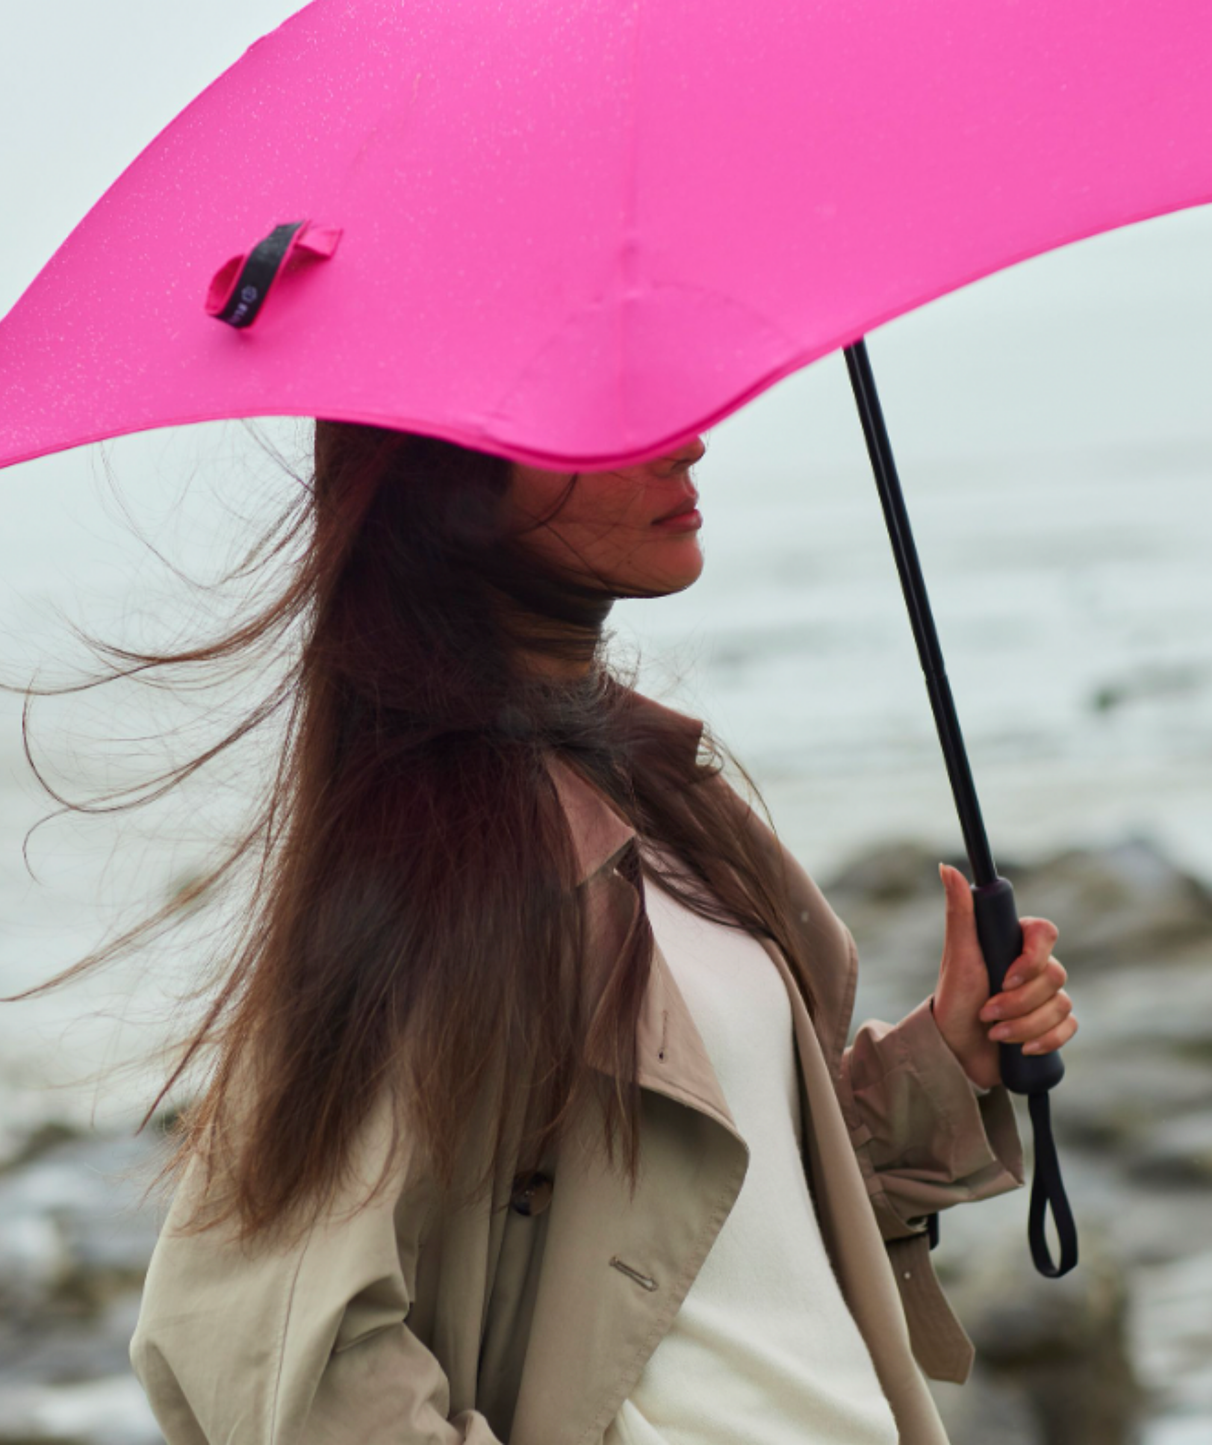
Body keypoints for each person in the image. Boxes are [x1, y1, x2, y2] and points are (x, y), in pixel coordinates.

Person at [24, 421, 1079, 1443]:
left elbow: (699, 1210)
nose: (685, 440)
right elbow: (248, 1334)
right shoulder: (437, 861)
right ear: (449, 478)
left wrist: (946, 1059)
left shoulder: (658, 797)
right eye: (602, 419)